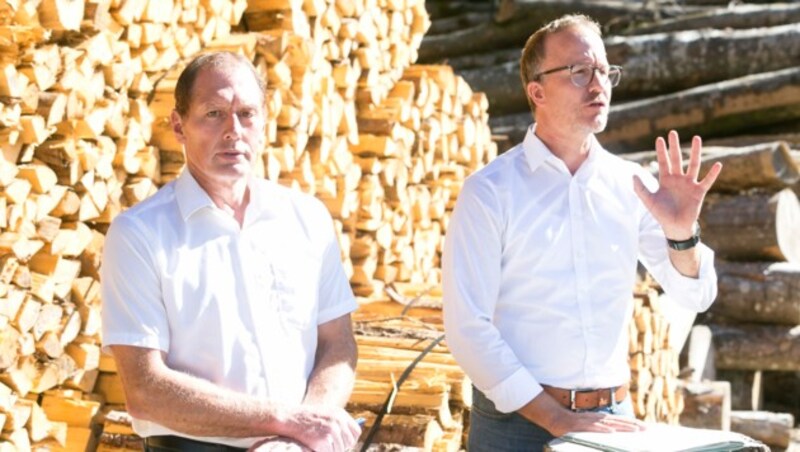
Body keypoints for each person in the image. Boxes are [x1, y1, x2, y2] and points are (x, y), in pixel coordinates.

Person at [442, 14, 722, 451]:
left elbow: (696, 296)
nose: (598, 85)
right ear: (537, 91)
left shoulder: (632, 184)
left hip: (612, 421)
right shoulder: (489, 191)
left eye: (604, 71)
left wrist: (682, 235)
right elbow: (467, 328)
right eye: (579, 72)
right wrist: (554, 417)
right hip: (516, 426)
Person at [101, 51, 362, 452]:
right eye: (213, 113)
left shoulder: (307, 218)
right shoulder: (139, 234)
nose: (233, 130)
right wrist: (291, 422)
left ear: (264, 122)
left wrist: (307, 431)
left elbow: (338, 344)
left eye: (247, 114)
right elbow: (145, 389)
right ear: (178, 125)